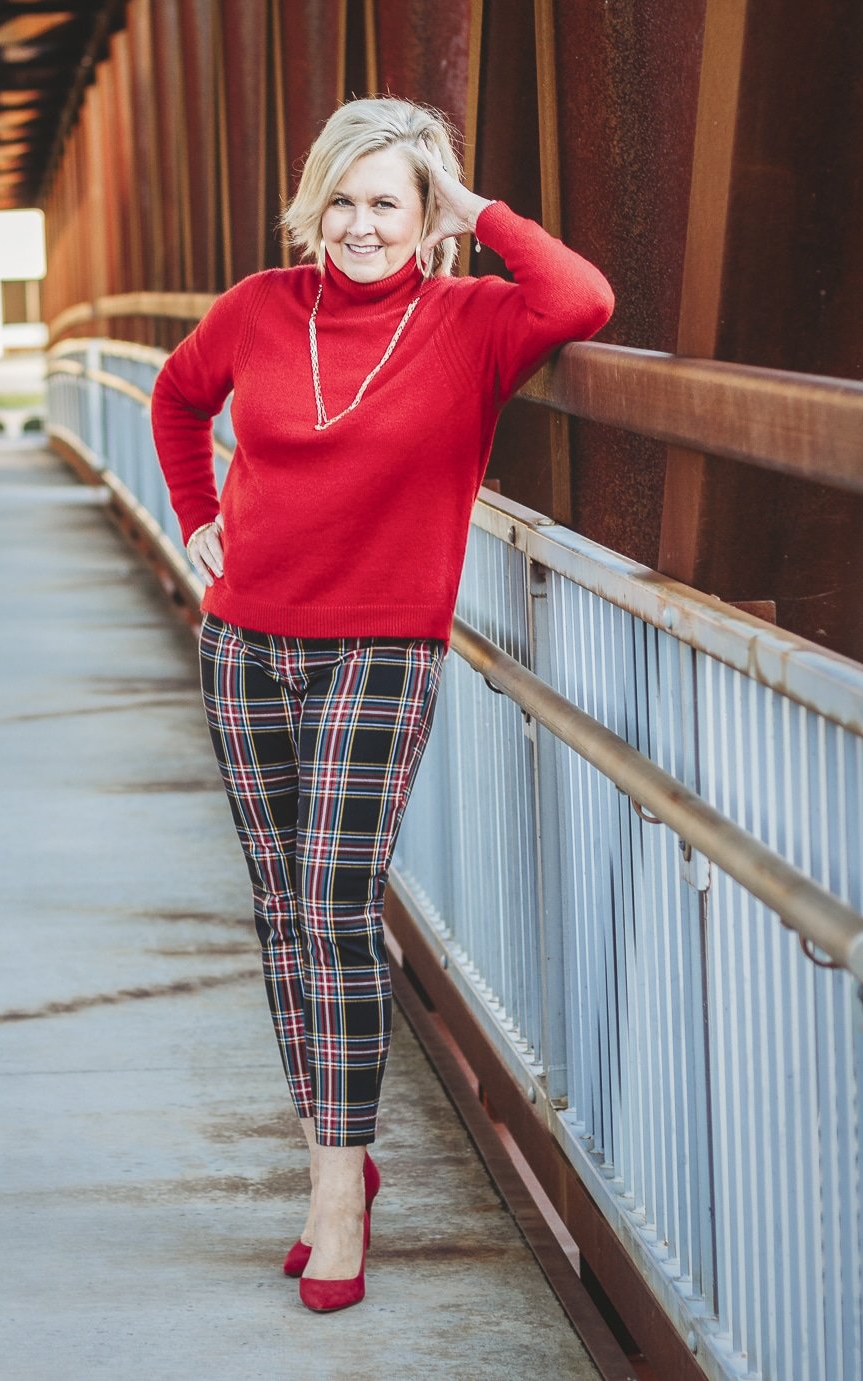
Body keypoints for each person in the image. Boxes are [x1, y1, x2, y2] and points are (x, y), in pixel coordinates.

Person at [150, 95, 614, 1312]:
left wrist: (478, 208)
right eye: (342, 201)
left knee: (330, 902)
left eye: (388, 204)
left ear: (427, 217)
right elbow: (177, 397)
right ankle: (339, 1150)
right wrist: (197, 518)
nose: (361, 226)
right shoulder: (261, 307)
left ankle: (337, 1195)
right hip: (245, 638)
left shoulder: (472, 322)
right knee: (277, 908)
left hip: (380, 650)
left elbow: (584, 302)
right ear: (315, 204)